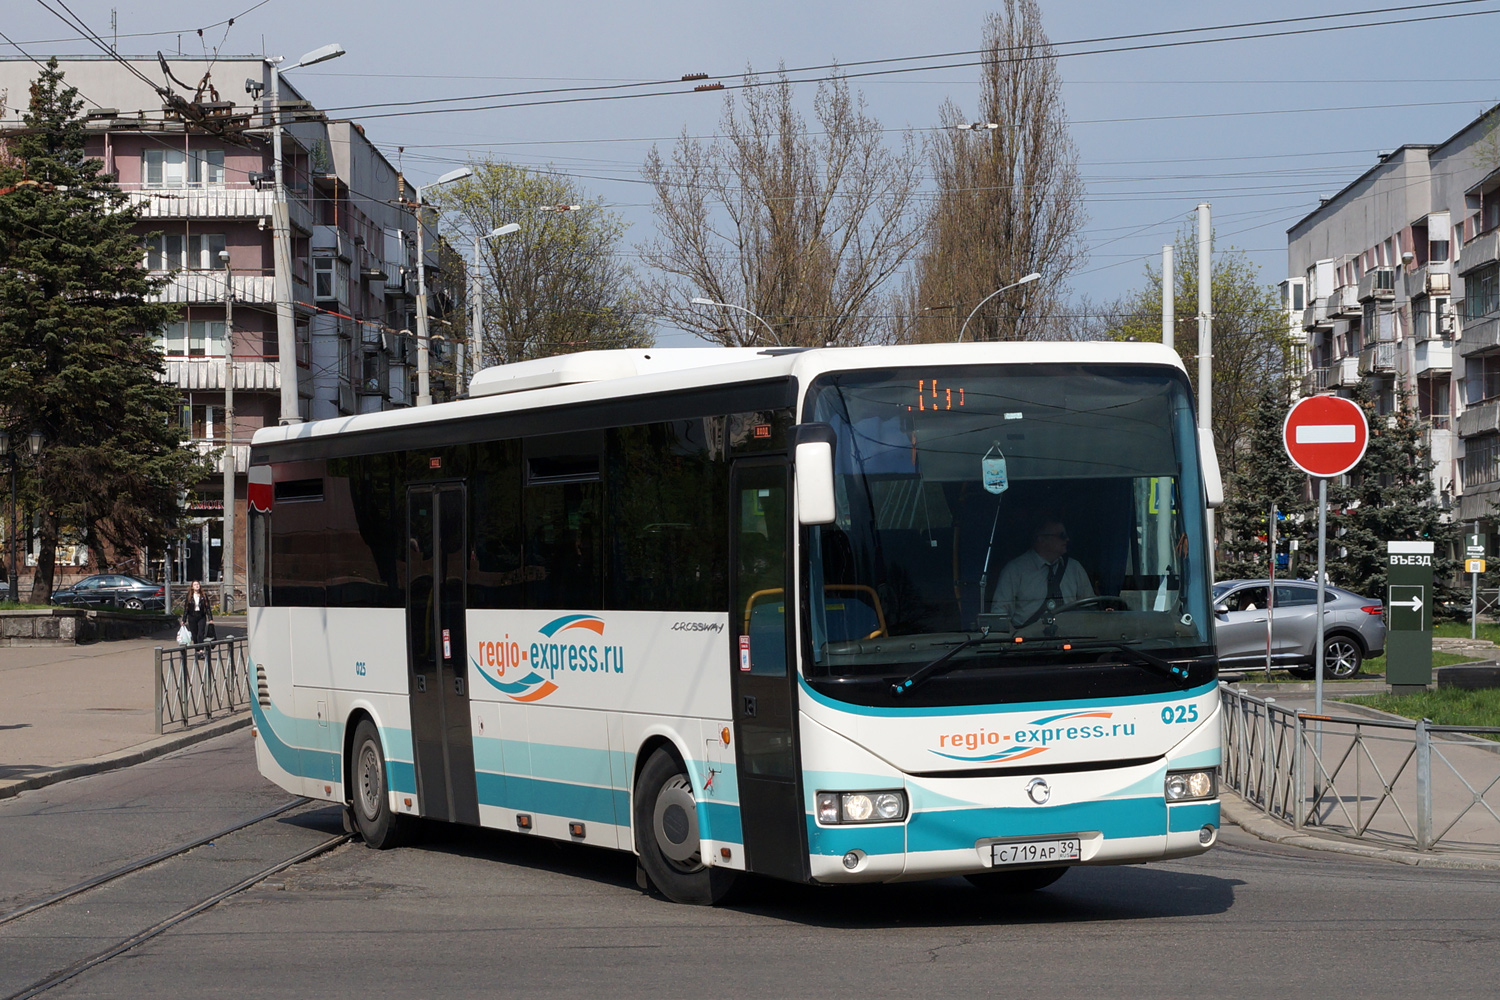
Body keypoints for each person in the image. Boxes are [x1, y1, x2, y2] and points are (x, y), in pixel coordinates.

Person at [991, 517, 1094, 626]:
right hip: (1028, 640)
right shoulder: (1014, 571)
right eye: (1061, 536)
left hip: (1071, 639)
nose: (1067, 539)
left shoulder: (1075, 568)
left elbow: (1090, 608)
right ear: (1041, 539)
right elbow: (1000, 613)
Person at [181, 580, 213, 645]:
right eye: (195, 585)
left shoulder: (203, 595)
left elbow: (207, 607)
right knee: (194, 634)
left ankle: (201, 649)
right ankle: (197, 649)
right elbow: (186, 608)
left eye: (198, 584)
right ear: (192, 587)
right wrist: (183, 620)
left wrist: (210, 618)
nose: (197, 586)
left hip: (201, 616)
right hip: (192, 616)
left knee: (201, 633)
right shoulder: (190, 596)